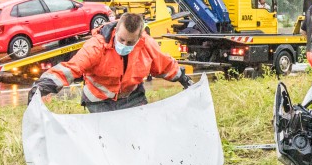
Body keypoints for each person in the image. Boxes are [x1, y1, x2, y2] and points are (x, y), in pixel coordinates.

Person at [28, 12, 193, 111]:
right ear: (116, 30)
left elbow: (165, 65)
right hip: (99, 102)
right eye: (121, 39)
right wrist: (42, 86)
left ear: (139, 37)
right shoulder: (97, 46)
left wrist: (183, 78)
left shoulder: (146, 45)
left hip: (132, 98)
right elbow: (71, 69)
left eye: (130, 42)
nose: (124, 45)